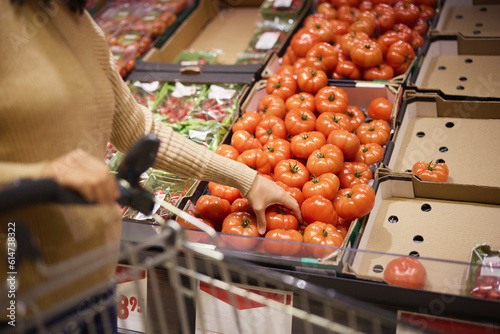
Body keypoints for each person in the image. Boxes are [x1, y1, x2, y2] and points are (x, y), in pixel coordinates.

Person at [0, 0, 301, 331]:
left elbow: (137, 129)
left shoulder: (79, 23)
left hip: (93, 277)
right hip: (17, 294)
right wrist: (40, 176)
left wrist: (247, 179)